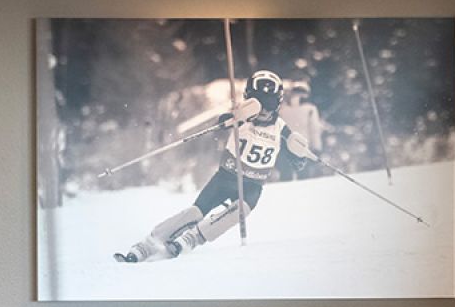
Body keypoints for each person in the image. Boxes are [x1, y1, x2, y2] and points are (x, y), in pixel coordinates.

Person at [116, 70, 325, 263]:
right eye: (258, 102)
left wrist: (299, 157)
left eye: (269, 104)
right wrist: (232, 119)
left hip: (252, 187)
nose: (263, 110)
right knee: (194, 213)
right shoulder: (242, 117)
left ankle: (190, 240)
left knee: (238, 212)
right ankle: (147, 245)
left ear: (277, 103)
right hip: (225, 179)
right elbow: (222, 122)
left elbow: (295, 158)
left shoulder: (281, 128)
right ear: (249, 99)